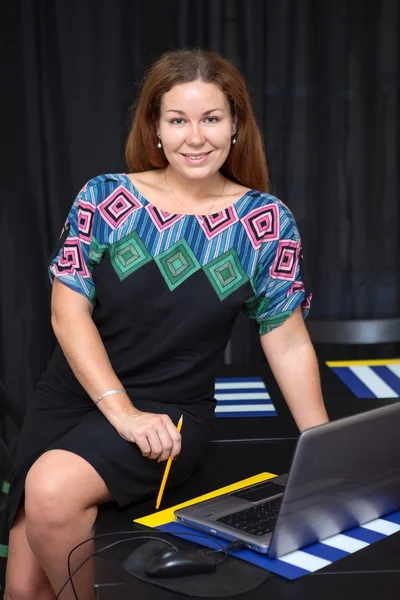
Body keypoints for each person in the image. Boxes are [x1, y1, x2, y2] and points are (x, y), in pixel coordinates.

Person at [4, 48, 328, 600]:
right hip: (72, 395)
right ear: (155, 128)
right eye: (178, 120)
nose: (194, 137)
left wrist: (323, 451)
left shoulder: (266, 224)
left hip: (169, 411)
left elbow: (288, 339)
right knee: (23, 587)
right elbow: (67, 310)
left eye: (212, 119)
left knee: (52, 492)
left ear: (236, 127)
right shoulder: (106, 197)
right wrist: (120, 412)